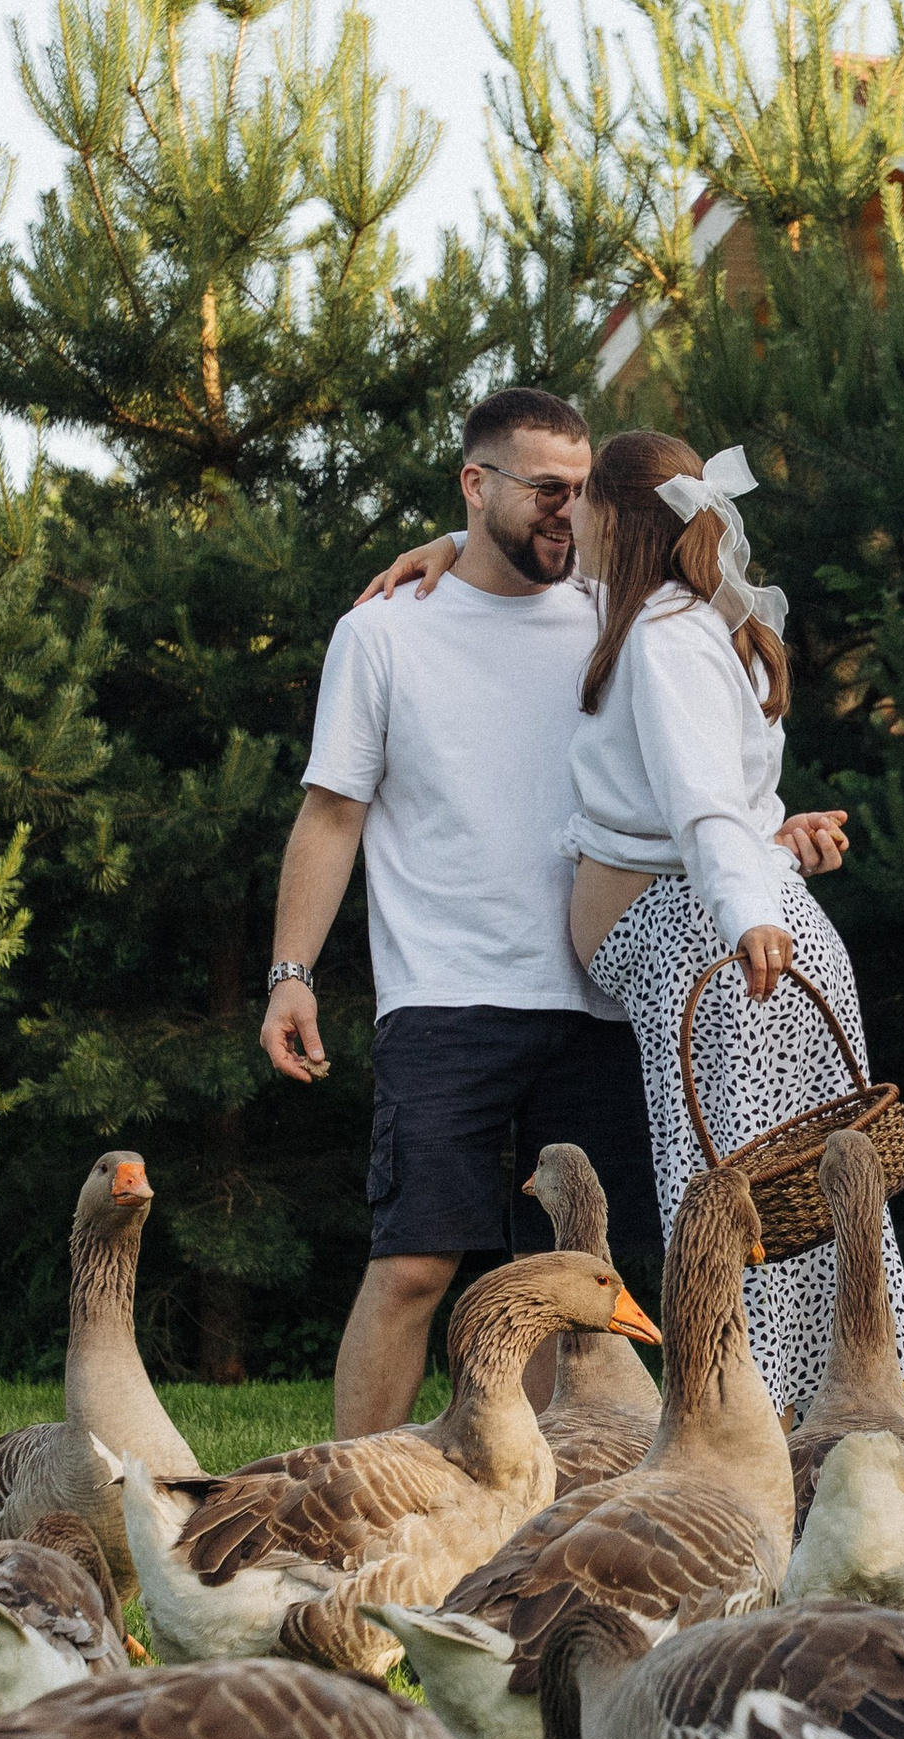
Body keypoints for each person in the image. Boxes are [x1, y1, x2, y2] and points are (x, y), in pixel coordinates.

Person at [367, 429, 904, 1415]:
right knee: (795, 1214)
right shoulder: (688, 613)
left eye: (582, 499)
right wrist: (450, 551)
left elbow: (706, 800)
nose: (565, 513)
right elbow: (718, 798)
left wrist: (747, 904)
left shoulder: (663, 634)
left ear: (616, 520)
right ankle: (823, 1427)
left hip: (722, 951)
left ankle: (766, 1433)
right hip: (734, 933)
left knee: (732, 1218)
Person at [261, 385, 662, 1437]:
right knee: (413, 1264)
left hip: (599, 996)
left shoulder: (613, 611)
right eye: (545, 490)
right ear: (475, 485)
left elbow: (719, 552)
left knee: (563, 1284)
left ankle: (512, 1510)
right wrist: (291, 972)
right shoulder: (387, 631)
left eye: (582, 493)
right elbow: (332, 814)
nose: (567, 514)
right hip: (447, 999)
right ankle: (348, 1494)